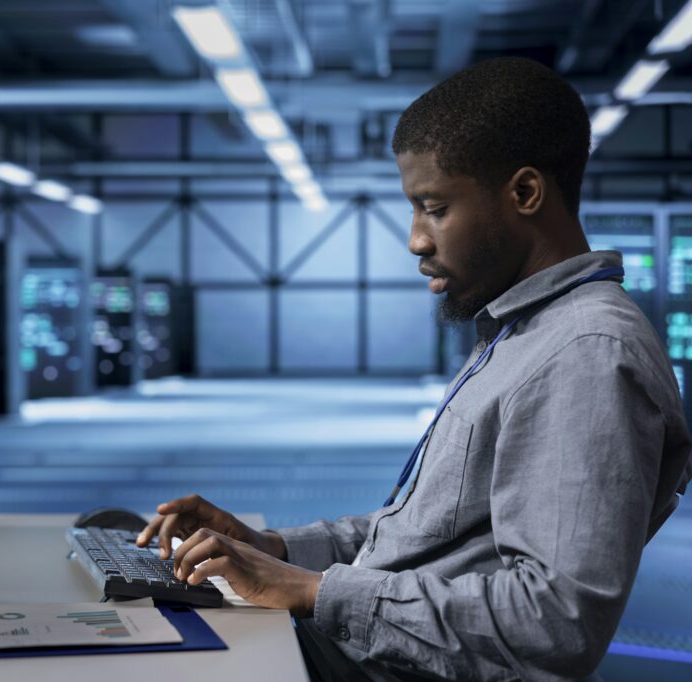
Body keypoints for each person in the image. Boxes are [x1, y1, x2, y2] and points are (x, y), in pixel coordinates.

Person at [136, 57, 692, 681]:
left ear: (525, 194)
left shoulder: (585, 355)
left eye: (434, 208)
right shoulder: (525, 335)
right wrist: (278, 551)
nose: (415, 240)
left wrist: (317, 592)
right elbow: (434, 534)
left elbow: (554, 623)